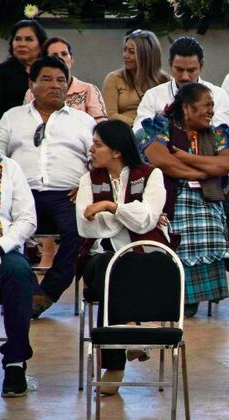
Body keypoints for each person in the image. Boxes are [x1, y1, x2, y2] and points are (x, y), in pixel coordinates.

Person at [0, 55, 95, 319]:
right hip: (21, 194)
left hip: (67, 196)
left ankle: (47, 294)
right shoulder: (12, 118)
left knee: (79, 230)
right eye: (47, 80)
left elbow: (97, 160)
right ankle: (28, 290)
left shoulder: (83, 122)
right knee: (8, 230)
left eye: (61, 80)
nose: (55, 85)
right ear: (31, 84)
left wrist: (85, 186)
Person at [76, 119, 168, 394]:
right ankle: (131, 330)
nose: (91, 149)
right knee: (108, 266)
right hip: (100, 258)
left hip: (144, 255)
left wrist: (109, 206)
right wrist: (127, 214)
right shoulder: (87, 180)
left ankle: (116, 362)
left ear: (116, 151)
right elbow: (86, 225)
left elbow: (147, 220)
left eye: (98, 144)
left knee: (128, 268)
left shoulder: (151, 175)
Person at [140, 83, 229, 315]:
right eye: (206, 105)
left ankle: (193, 297)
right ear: (187, 108)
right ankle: (175, 292)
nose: (211, 111)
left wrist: (182, 156)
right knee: (180, 221)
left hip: (207, 198)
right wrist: (201, 173)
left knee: (210, 225)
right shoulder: (161, 127)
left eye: (212, 105)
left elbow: (224, 164)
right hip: (171, 195)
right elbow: (161, 160)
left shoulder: (217, 133)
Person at [133, 36, 229, 132]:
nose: (185, 77)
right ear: (170, 64)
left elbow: (223, 134)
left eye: (191, 70)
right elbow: (139, 132)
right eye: (179, 70)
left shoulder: (218, 95)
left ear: (201, 66)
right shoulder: (153, 96)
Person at [0, 153, 38, 398]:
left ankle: (15, 363)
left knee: (19, 271)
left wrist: (1, 246)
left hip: (4, 246)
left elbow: (27, 219)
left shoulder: (10, 168)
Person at [22, 37, 106, 122]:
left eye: (64, 54)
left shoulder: (88, 90)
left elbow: (100, 125)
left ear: (72, 60)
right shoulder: (32, 92)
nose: (61, 58)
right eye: (54, 55)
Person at [102, 30, 170, 125]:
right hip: (125, 132)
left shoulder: (165, 80)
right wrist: (141, 125)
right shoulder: (114, 78)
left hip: (158, 133)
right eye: (125, 50)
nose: (125, 55)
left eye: (132, 52)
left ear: (146, 55)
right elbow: (110, 114)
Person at [0, 20, 47, 122]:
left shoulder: (49, 71)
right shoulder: (0, 72)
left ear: (41, 45)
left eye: (29, 39)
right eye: (18, 39)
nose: (22, 44)